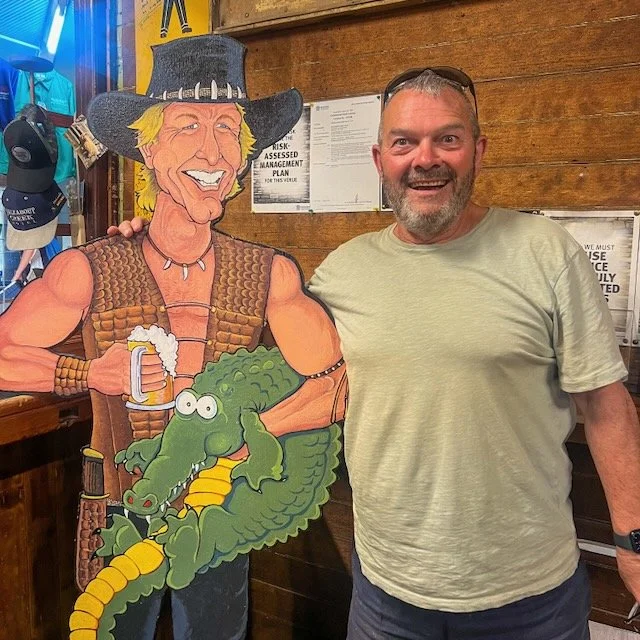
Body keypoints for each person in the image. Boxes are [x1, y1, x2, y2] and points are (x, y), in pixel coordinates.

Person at [115, 67, 640, 638]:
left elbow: (606, 407)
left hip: (528, 599)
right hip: (387, 598)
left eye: (447, 138)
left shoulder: (547, 254)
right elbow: (268, 362)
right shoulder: (344, 272)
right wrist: (163, 245)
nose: (425, 159)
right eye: (404, 143)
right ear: (379, 159)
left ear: (479, 151)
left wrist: (633, 545)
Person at [0, 34, 344, 640]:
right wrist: (90, 373)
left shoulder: (268, 274)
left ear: (242, 159)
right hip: (119, 509)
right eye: (188, 126)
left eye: (228, 131)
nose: (212, 151)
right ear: (149, 148)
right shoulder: (90, 268)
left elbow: (333, 386)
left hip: (217, 514)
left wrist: (257, 435)